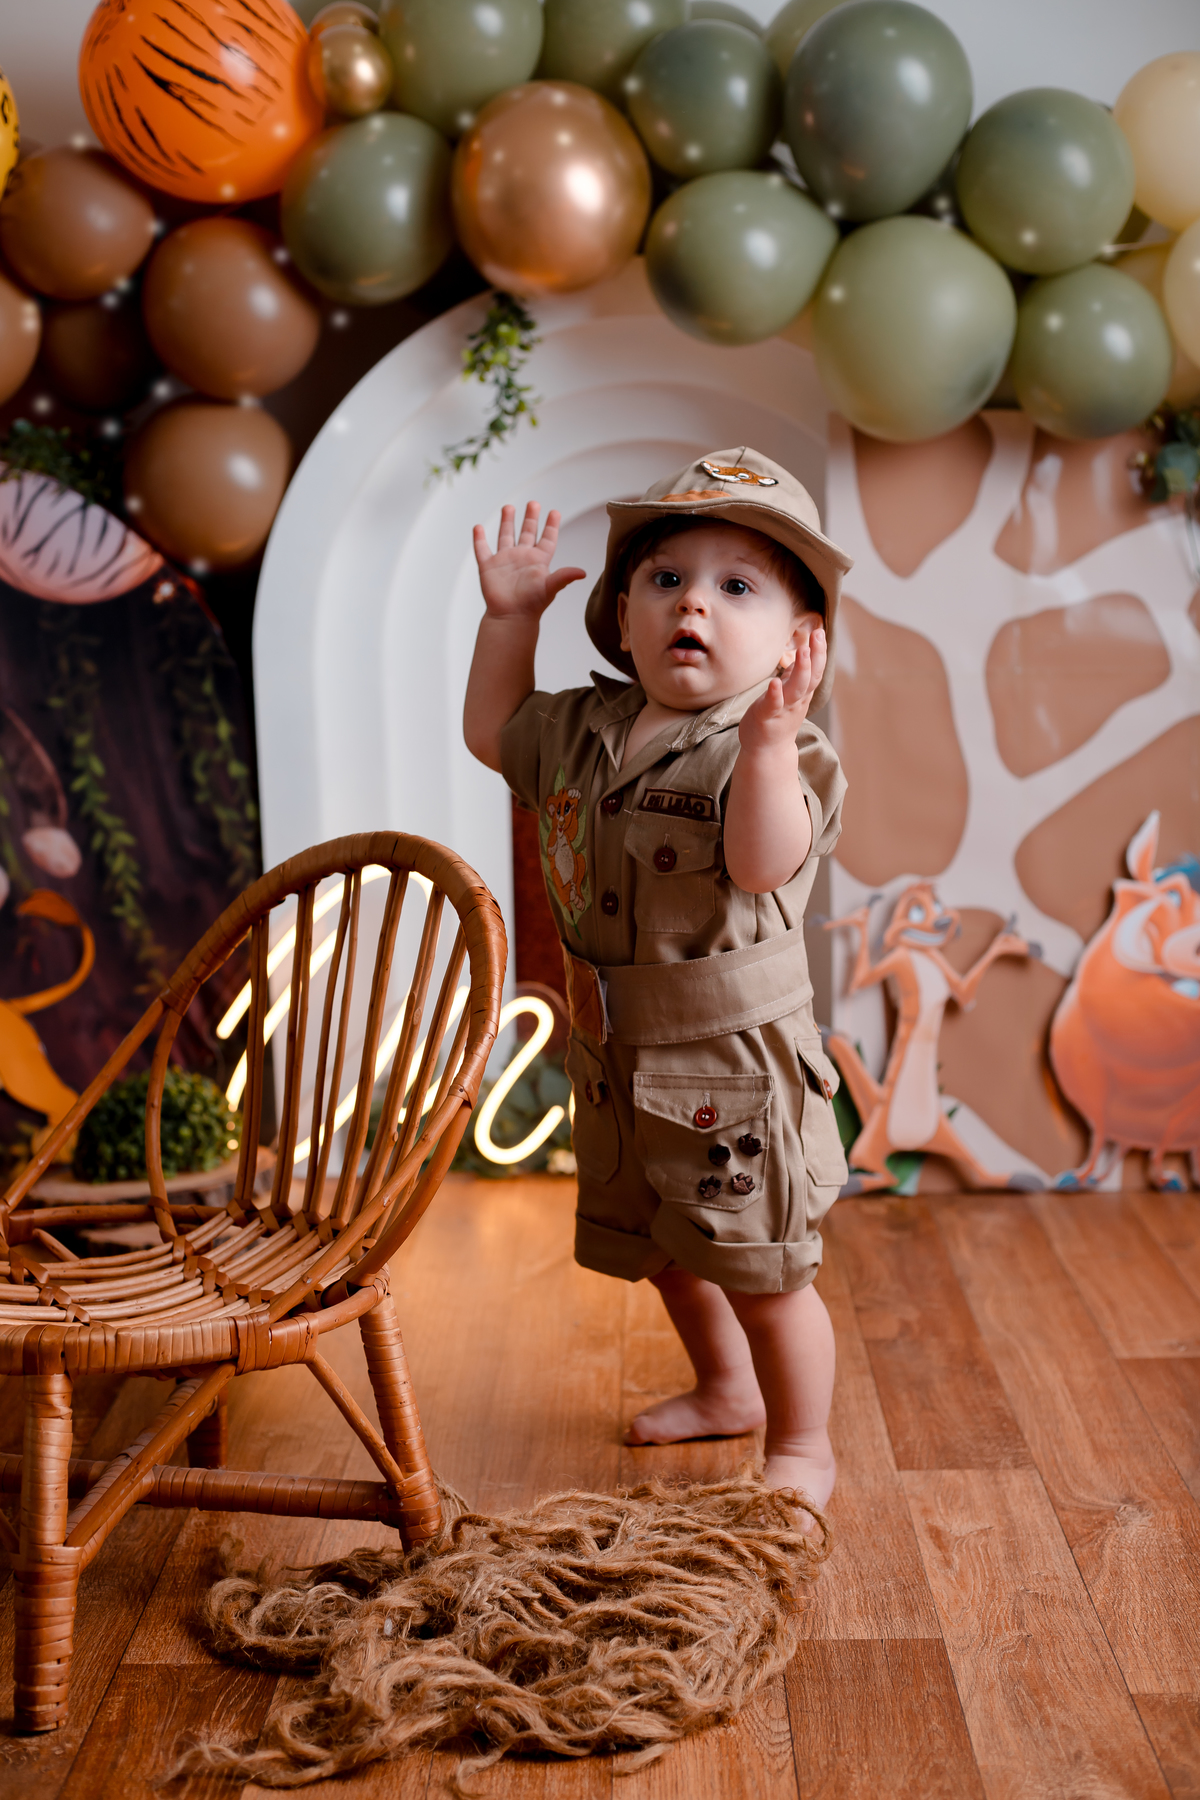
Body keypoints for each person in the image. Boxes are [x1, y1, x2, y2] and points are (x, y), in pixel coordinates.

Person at [463, 448, 852, 1513]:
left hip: (732, 1063)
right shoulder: (582, 732)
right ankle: (727, 1389)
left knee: (764, 1267)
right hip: (615, 1054)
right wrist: (507, 620)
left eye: (738, 586)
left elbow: (764, 864)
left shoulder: (784, 751)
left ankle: (805, 1447)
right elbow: (492, 734)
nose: (694, 603)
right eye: (666, 578)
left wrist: (766, 746)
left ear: (797, 641)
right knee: (665, 1245)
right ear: (621, 615)